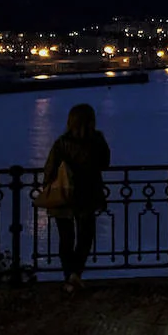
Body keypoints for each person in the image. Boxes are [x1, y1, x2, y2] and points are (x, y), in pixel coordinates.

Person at [42, 103, 111, 292]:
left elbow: (49, 169)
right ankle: (76, 274)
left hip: (64, 195)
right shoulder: (96, 141)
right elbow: (105, 163)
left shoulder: (61, 142)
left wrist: (48, 185)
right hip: (87, 195)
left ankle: (69, 276)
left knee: (66, 239)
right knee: (85, 237)